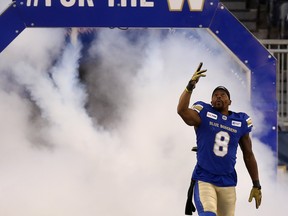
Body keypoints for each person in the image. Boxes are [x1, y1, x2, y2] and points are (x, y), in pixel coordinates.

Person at [177, 63, 262, 216]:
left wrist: (256, 184)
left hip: (228, 182)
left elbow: (248, 154)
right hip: (205, 179)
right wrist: (190, 87)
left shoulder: (240, 121)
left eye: (223, 95)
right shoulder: (203, 112)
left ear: (230, 102)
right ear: (211, 101)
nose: (218, 96)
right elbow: (182, 111)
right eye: (215, 94)